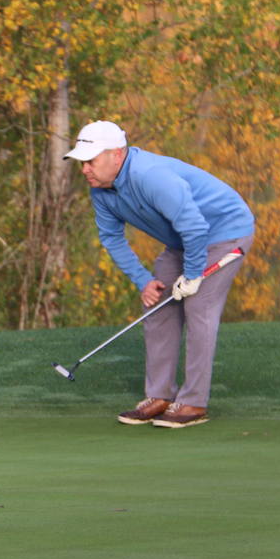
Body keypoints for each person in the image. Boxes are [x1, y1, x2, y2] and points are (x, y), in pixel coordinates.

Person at [63, 121, 255, 428]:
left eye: (91, 161)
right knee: (157, 303)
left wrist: (192, 275)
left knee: (198, 307)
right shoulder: (101, 191)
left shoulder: (150, 176)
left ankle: (193, 403)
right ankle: (160, 396)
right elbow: (112, 238)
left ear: (116, 154)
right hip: (183, 240)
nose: (85, 169)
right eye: (82, 162)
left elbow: (195, 227)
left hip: (225, 233)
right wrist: (143, 281)